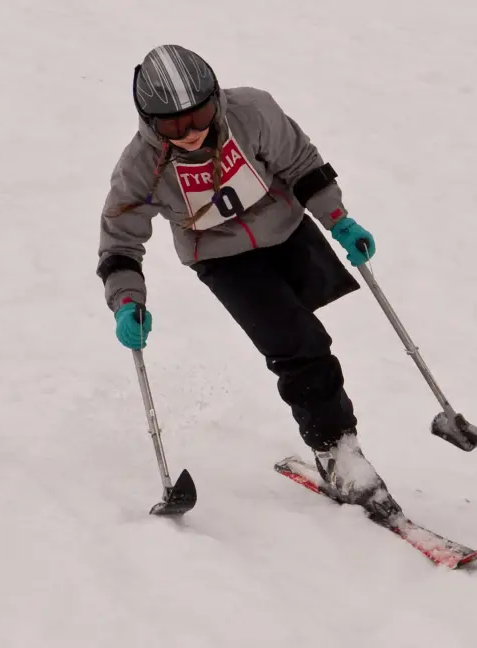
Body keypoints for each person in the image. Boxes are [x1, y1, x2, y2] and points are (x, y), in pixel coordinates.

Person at [96, 44, 392, 507]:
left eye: (200, 116)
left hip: (288, 228)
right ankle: (337, 451)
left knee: (305, 330)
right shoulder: (139, 169)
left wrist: (337, 219)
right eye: (174, 126)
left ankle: (331, 434)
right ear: (149, 122)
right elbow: (119, 243)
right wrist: (126, 300)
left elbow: (300, 163)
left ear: (217, 98)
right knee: (298, 344)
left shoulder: (253, 111)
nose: (191, 133)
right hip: (219, 256)